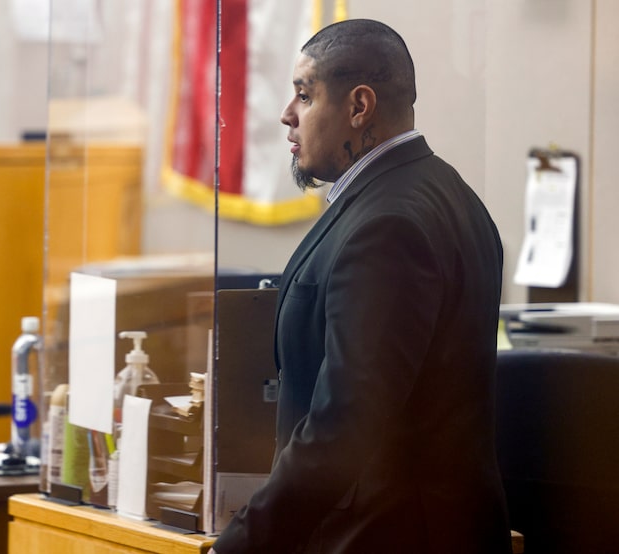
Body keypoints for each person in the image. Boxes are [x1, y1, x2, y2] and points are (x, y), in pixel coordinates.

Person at [210, 19, 512, 553]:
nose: (287, 114)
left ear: (359, 106)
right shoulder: (449, 194)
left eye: (304, 95)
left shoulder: (387, 225)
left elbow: (344, 427)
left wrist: (243, 544)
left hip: (384, 537)